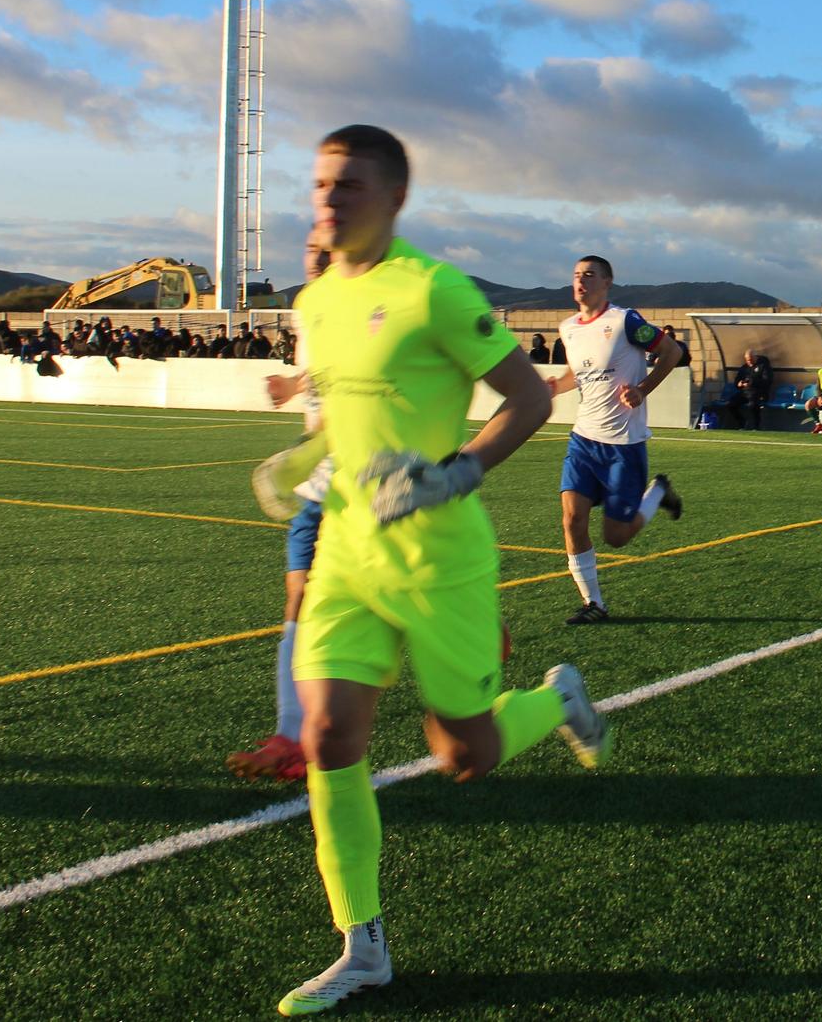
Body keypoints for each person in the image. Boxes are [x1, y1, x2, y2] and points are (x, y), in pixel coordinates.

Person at [268, 124, 605, 1015]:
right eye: (321, 184)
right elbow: (343, 412)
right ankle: (363, 944)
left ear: (395, 198)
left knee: (464, 753)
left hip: (438, 558)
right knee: (327, 738)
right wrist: (301, 455)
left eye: (348, 186)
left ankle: (554, 699)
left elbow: (529, 397)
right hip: (347, 550)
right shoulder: (313, 302)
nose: (329, 200)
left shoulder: (433, 290)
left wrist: (455, 470)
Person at [233, 233, 338, 784]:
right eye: (308, 244)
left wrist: (299, 383)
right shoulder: (304, 307)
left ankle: (476, 628)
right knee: (297, 597)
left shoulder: (366, 301)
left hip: (366, 483)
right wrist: (295, 388)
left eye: (325, 245)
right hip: (318, 483)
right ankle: (289, 734)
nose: (316, 253)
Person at [544, 254, 685, 625]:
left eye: (589, 275)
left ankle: (657, 493)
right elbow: (579, 372)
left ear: (607, 282)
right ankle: (595, 604)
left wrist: (642, 389)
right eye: (576, 275)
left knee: (617, 537)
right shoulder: (568, 327)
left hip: (624, 444)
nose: (581, 281)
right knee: (572, 519)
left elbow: (672, 352)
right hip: (584, 440)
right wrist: (552, 387)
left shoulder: (625, 321)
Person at [729, 349, 772, 429]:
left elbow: (767, 381)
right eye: (747, 360)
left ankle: (756, 426)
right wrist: (739, 384)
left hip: (759, 393)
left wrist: (752, 383)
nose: (749, 361)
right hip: (745, 393)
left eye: (751, 359)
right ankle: (742, 421)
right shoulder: (744, 368)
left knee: (753, 404)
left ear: (755, 357)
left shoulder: (763, 366)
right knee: (731, 404)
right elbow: (737, 381)